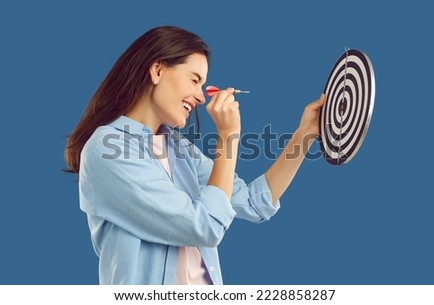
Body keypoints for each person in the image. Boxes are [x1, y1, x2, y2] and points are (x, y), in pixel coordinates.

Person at [65, 25, 325, 285]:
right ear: (157, 71)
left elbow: (252, 203)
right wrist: (228, 135)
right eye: (194, 80)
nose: (201, 97)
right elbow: (204, 226)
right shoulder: (107, 149)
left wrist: (304, 135)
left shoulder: (179, 149)